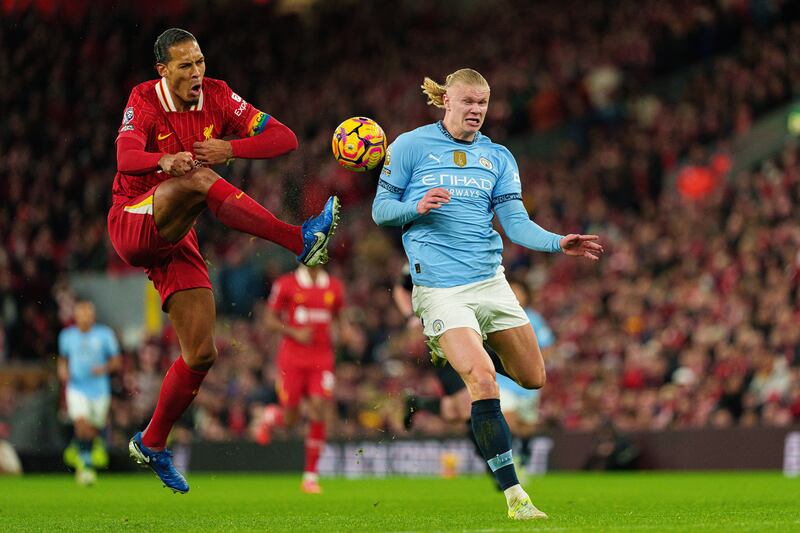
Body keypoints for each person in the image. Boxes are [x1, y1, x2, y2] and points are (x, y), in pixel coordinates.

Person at [108, 28, 340, 493]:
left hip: (176, 239)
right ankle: (297, 239)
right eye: (185, 65)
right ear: (163, 70)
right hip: (133, 219)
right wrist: (162, 161)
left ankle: (151, 442)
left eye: (200, 62)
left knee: (201, 353)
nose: (197, 72)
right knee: (197, 179)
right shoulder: (145, 99)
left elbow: (284, 138)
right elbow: (126, 155)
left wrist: (231, 147)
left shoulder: (217, 96)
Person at [372, 68, 603, 520]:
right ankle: (515, 495)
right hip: (440, 289)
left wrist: (558, 242)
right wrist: (415, 207)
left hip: (490, 282)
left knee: (533, 377)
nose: (476, 110)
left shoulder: (497, 156)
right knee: (482, 379)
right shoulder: (410, 146)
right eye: (468, 101)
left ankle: (465, 347)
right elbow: (381, 210)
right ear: (447, 101)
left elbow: (515, 224)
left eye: (483, 102)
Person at [256, 264, 345, 494]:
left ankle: (310, 476)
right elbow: (269, 319)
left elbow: (338, 317)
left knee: (319, 408)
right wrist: (294, 332)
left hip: (322, 359)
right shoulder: (286, 284)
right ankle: (271, 416)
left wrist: (342, 332)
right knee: (290, 419)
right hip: (292, 360)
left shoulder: (334, 286)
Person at [497, 281, 556, 482]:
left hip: (527, 383)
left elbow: (548, 347)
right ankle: (511, 464)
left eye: (518, 291)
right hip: (504, 380)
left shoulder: (534, 319)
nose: (515, 294)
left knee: (526, 427)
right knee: (508, 421)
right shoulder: (497, 315)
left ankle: (523, 458)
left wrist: (533, 365)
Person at [57, 301, 121, 485]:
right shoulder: (67, 336)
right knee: (81, 422)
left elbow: (116, 361)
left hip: (100, 389)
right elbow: (63, 359)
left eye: (88, 314)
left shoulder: (105, 334)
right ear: (76, 316)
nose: (85, 317)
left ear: (93, 316)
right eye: (82, 313)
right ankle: (85, 465)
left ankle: (78, 448)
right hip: (77, 387)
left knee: (93, 428)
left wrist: (104, 368)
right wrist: (62, 370)